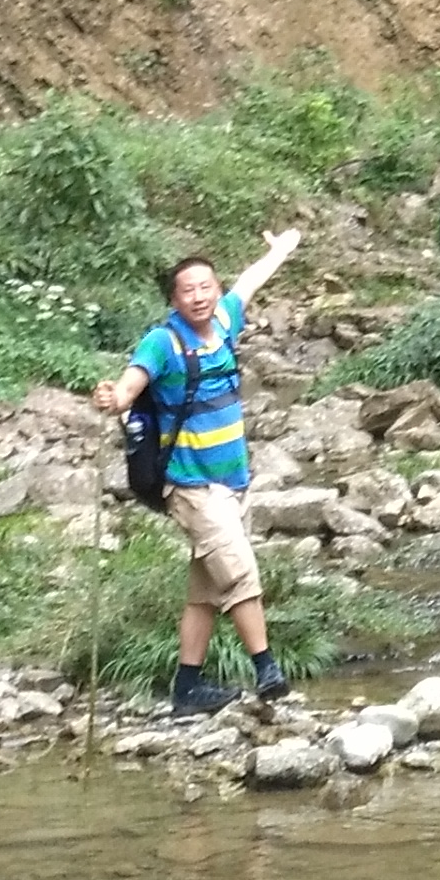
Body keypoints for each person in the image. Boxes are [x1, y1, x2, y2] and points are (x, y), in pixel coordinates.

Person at [100, 230, 303, 716]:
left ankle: (186, 690)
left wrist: (277, 251)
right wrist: (117, 398)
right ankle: (267, 669)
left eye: (205, 287)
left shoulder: (226, 319)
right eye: (188, 290)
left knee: (205, 592)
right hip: (190, 485)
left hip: (233, 482)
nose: (199, 297)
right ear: (174, 299)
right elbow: (133, 381)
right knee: (239, 573)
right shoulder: (163, 341)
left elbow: (250, 284)